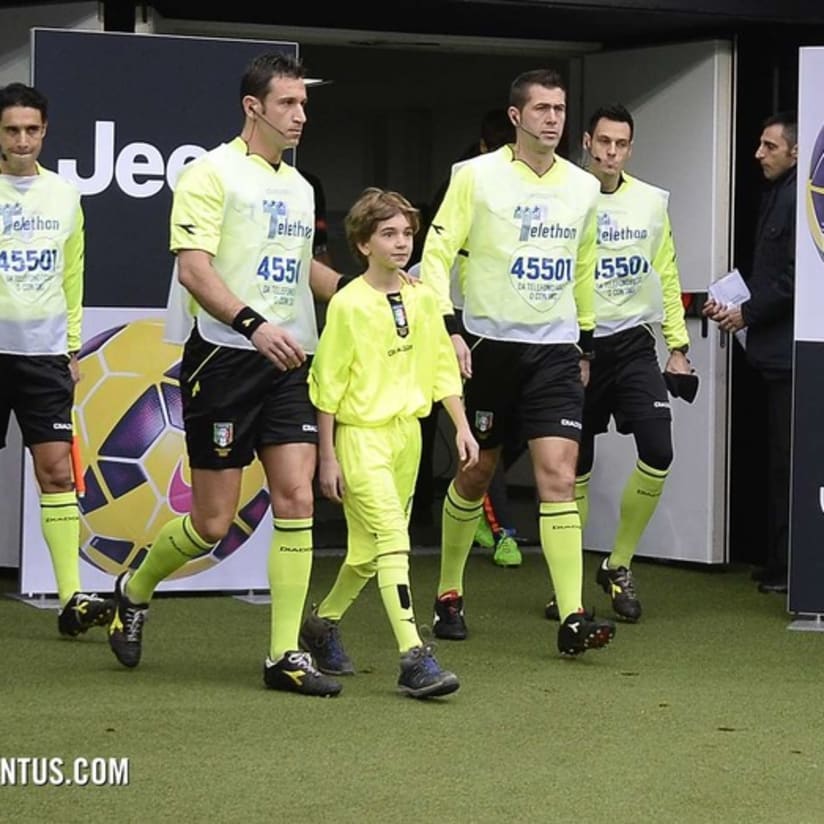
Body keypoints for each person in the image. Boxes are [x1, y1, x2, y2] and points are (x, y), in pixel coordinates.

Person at [106, 52, 346, 697]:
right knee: (212, 524)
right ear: (253, 107)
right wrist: (252, 326)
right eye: (288, 104)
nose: (300, 115)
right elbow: (195, 270)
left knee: (295, 501)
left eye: (303, 104)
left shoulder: (300, 186)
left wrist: (361, 290)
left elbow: (303, 272)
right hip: (225, 356)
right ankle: (135, 587)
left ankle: (284, 656)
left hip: (291, 360)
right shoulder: (207, 174)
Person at [421, 68, 616, 657]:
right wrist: (449, 327)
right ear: (516, 116)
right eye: (541, 109)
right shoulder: (474, 177)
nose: (553, 118)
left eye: (559, 109)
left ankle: (574, 614)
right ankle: (449, 592)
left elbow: (584, 266)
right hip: (486, 348)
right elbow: (435, 254)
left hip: (555, 351)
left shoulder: (583, 186)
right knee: (478, 472)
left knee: (558, 475)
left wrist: (584, 342)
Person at [299, 187, 478, 698]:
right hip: (360, 439)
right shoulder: (349, 305)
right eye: (388, 234)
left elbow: (443, 367)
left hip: (407, 438)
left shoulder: (422, 296)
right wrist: (327, 456)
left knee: (366, 554)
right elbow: (327, 386)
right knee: (395, 542)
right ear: (362, 243)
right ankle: (413, 655)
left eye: (406, 232)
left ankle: (323, 623)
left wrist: (461, 426)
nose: (401, 243)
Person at [541, 103, 693, 622]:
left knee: (659, 449)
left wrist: (678, 345)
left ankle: (618, 563)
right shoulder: (564, 195)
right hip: (574, 348)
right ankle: (571, 584)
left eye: (620, 144)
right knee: (573, 467)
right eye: (602, 142)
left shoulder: (650, 202)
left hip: (631, 344)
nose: (610, 153)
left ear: (630, 147)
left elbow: (665, 272)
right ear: (587, 142)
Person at [0, 82, 113, 637]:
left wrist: (72, 346)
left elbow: (73, 274)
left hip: (44, 355)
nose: (22, 140)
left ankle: (71, 599)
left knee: (55, 471)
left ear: (45, 132)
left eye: (31, 129)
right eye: (11, 130)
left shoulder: (66, 194)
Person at [414, 108, 526, 568]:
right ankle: (422, 515)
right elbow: (432, 257)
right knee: (424, 416)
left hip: (493, 323)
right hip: (445, 315)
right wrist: (444, 320)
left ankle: (481, 514)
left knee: (495, 428)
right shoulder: (464, 183)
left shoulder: (532, 199)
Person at [703, 111, 798, 595]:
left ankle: (790, 567)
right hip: (774, 354)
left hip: (791, 357)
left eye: (769, 146)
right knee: (777, 461)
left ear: (796, 152)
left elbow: (792, 281)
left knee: (790, 462)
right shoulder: (778, 197)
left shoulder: (801, 204)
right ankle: (778, 559)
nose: (758, 154)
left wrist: (748, 314)